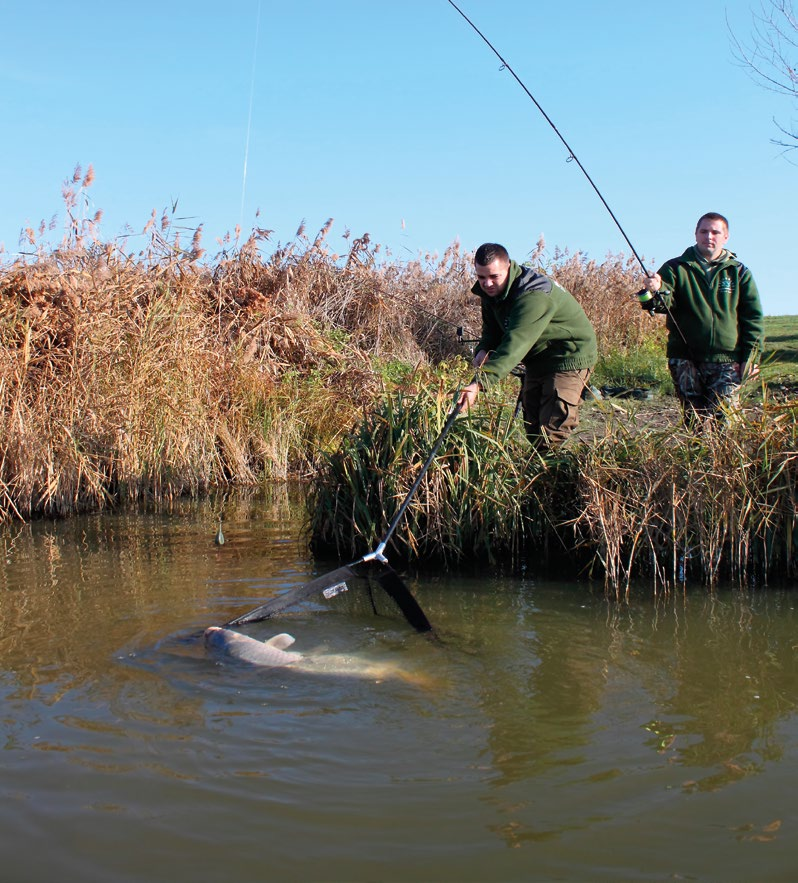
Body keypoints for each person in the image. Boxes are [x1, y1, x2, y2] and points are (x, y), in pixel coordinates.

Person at [457, 242, 597, 448]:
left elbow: (515, 344)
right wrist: (483, 349)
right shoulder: (491, 293)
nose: (487, 284)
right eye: (481, 277)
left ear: (508, 268)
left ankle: (556, 477)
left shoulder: (532, 296)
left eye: (494, 276)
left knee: (552, 432)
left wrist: (478, 384)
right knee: (532, 424)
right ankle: (536, 471)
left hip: (568, 356)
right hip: (537, 359)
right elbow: (492, 330)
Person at [638, 212, 764, 425]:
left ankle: (724, 460)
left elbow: (753, 318)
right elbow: (661, 304)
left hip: (727, 360)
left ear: (726, 237)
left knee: (725, 423)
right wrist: (652, 290)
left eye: (715, 232)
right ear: (696, 234)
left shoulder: (739, 272)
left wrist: (751, 358)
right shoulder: (675, 268)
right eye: (704, 231)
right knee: (694, 421)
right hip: (685, 359)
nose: (709, 236)